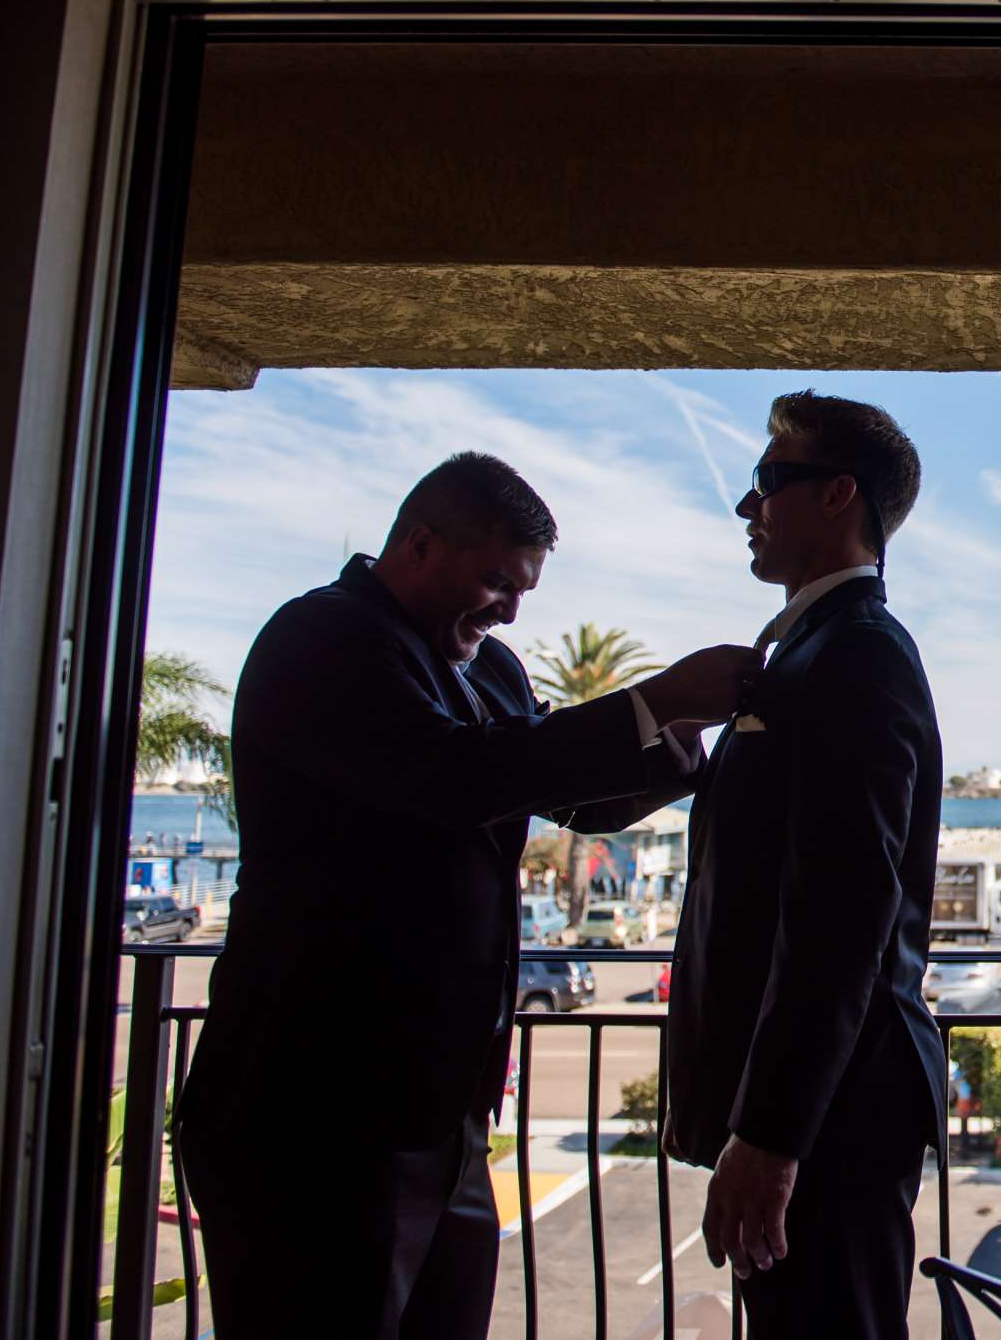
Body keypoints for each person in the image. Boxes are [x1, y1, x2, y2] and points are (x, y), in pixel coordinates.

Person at [174, 451, 759, 1340]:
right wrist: (657, 696)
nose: (512, 610)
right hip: (311, 1112)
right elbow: (451, 776)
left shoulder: (491, 667)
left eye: (523, 590)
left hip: (442, 1120)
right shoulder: (321, 639)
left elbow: (582, 801)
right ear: (417, 543)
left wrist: (687, 731)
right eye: (495, 581)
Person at [664, 391, 947, 1340]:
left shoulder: (856, 656)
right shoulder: (811, 653)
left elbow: (841, 917)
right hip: (824, 1108)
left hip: (835, 1116)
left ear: (837, 497)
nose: (747, 508)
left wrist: (774, 1135)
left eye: (765, 482)